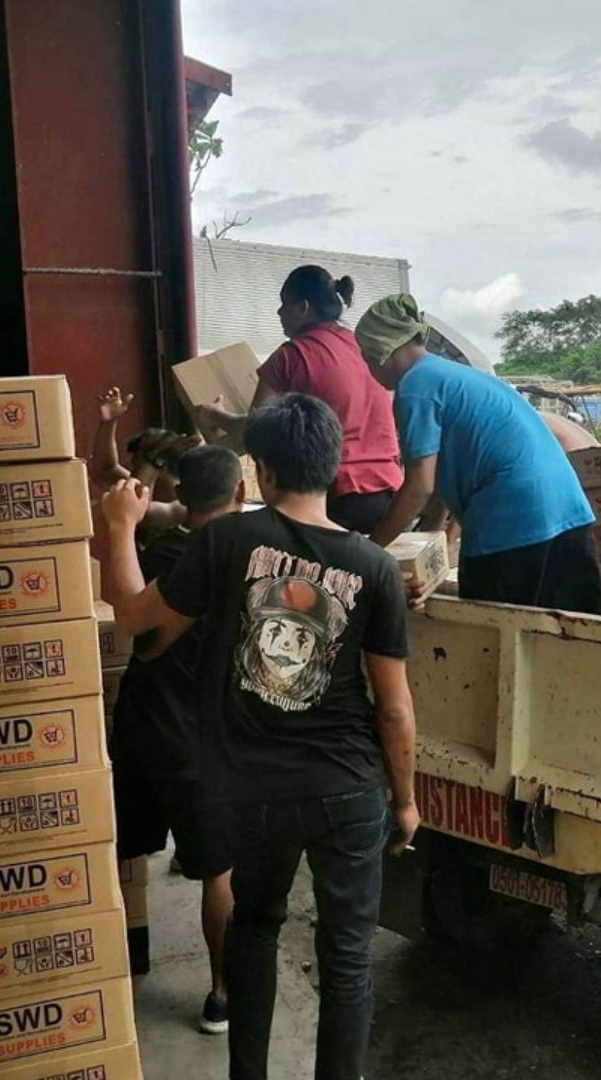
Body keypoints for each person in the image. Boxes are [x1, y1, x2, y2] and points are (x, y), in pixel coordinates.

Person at [102, 393, 421, 1080]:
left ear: (263, 473)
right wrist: (405, 799)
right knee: (347, 958)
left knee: (255, 929)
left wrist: (121, 526)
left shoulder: (226, 541)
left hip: (251, 790)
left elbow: (138, 624)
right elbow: (393, 708)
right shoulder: (375, 569)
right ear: (333, 468)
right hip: (347, 786)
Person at [354, 294, 601, 614]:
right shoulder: (462, 376)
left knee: (490, 638)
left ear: (378, 353)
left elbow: (419, 487)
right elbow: (460, 475)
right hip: (569, 514)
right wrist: (440, 543)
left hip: (512, 527)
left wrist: (367, 554)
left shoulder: (415, 386)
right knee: (575, 641)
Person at [109, 445, 244, 1035]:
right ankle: (222, 994)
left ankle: (100, 973)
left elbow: (133, 619)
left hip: (143, 729)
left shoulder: (165, 551)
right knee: (221, 872)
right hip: (204, 741)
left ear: (182, 496)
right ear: (241, 494)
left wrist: (124, 524)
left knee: (115, 856)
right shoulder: (251, 560)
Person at [196, 266, 403, 534]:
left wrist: (214, 416)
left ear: (303, 307)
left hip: (336, 498)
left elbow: (255, 430)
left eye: (284, 305)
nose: (279, 313)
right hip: (391, 495)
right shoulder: (360, 345)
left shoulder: (290, 356)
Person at [92, 385, 201, 540]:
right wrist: (109, 424)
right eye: (139, 458)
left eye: (145, 456)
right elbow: (105, 470)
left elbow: (140, 512)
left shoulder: (180, 497)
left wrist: (155, 460)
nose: (137, 464)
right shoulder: (143, 477)